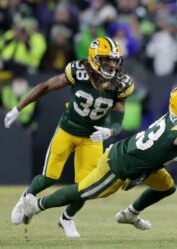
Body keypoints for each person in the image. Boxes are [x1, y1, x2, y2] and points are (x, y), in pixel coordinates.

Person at [19, 85, 177, 234]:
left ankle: (130, 214)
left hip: (145, 164)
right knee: (83, 192)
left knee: (166, 187)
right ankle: (37, 205)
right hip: (121, 164)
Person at [3, 37, 134, 238]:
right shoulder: (78, 71)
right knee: (49, 177)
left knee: (86, 187)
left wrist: (111, 131)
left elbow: (118, 114)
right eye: (107, 59)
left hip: (92, 137)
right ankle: (26, 197)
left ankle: (66, 219)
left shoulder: (121, 83)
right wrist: (18, 108)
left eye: (115, 60)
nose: (112, 64)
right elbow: (46, 86)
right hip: (67, 129)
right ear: (94, 58)